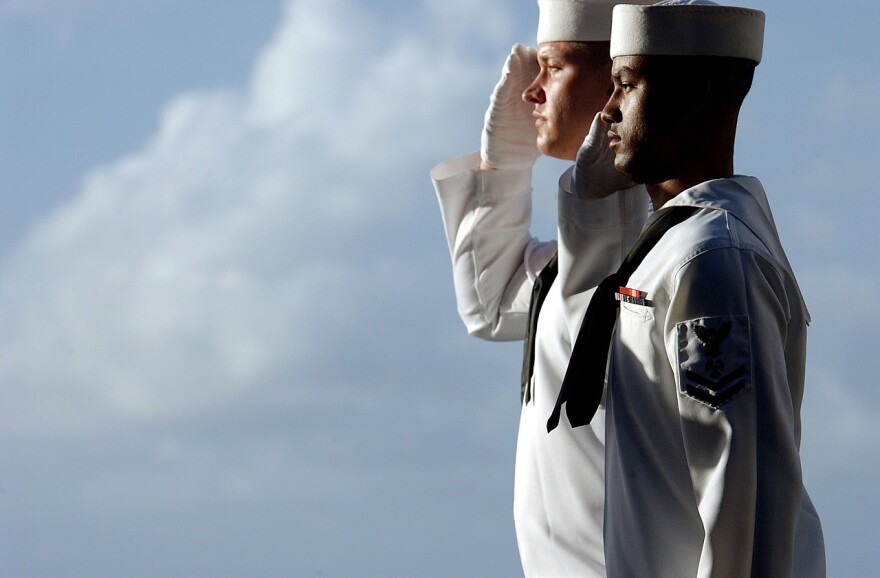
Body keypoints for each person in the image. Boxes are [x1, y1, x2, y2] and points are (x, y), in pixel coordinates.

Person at [550, 1, 826, 575]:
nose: (607, 110)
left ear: (694, 91)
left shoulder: (713, 258)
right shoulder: (671, 248)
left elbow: (743, 503)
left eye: (625, 83)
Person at [430, 1, 651, 575]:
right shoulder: (581, 254)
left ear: (620, 81)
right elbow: (491, 304)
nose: (531, 91)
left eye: (553, 67)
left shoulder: (667, 253)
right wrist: (502, 164)